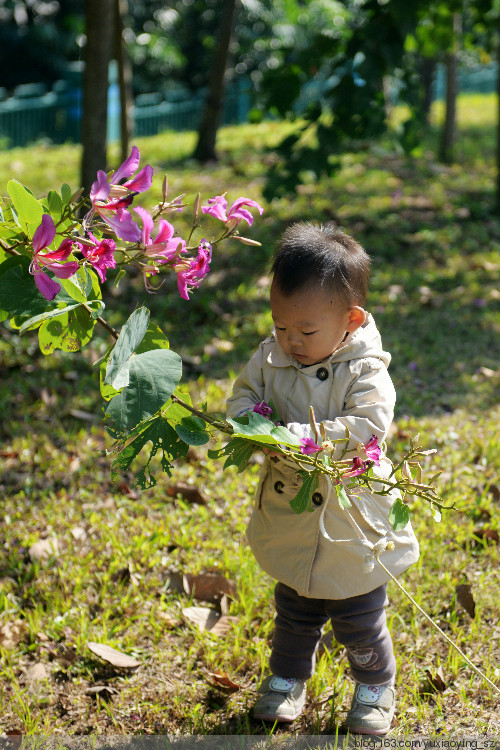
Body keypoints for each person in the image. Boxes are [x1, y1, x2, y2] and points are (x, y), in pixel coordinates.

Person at [226, 222, 419, 735]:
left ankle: (376, 686)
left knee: (357, 613)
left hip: (352, 517)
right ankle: (286, 679)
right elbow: (241, 395)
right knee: (294, 607)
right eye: (280, 325)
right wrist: (249, 419)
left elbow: (368, 425)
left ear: (350, 320)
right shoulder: (272, 355)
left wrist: (297, 437)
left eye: (306, 331)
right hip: (292, 510)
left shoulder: (367, 369)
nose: (290, 341)